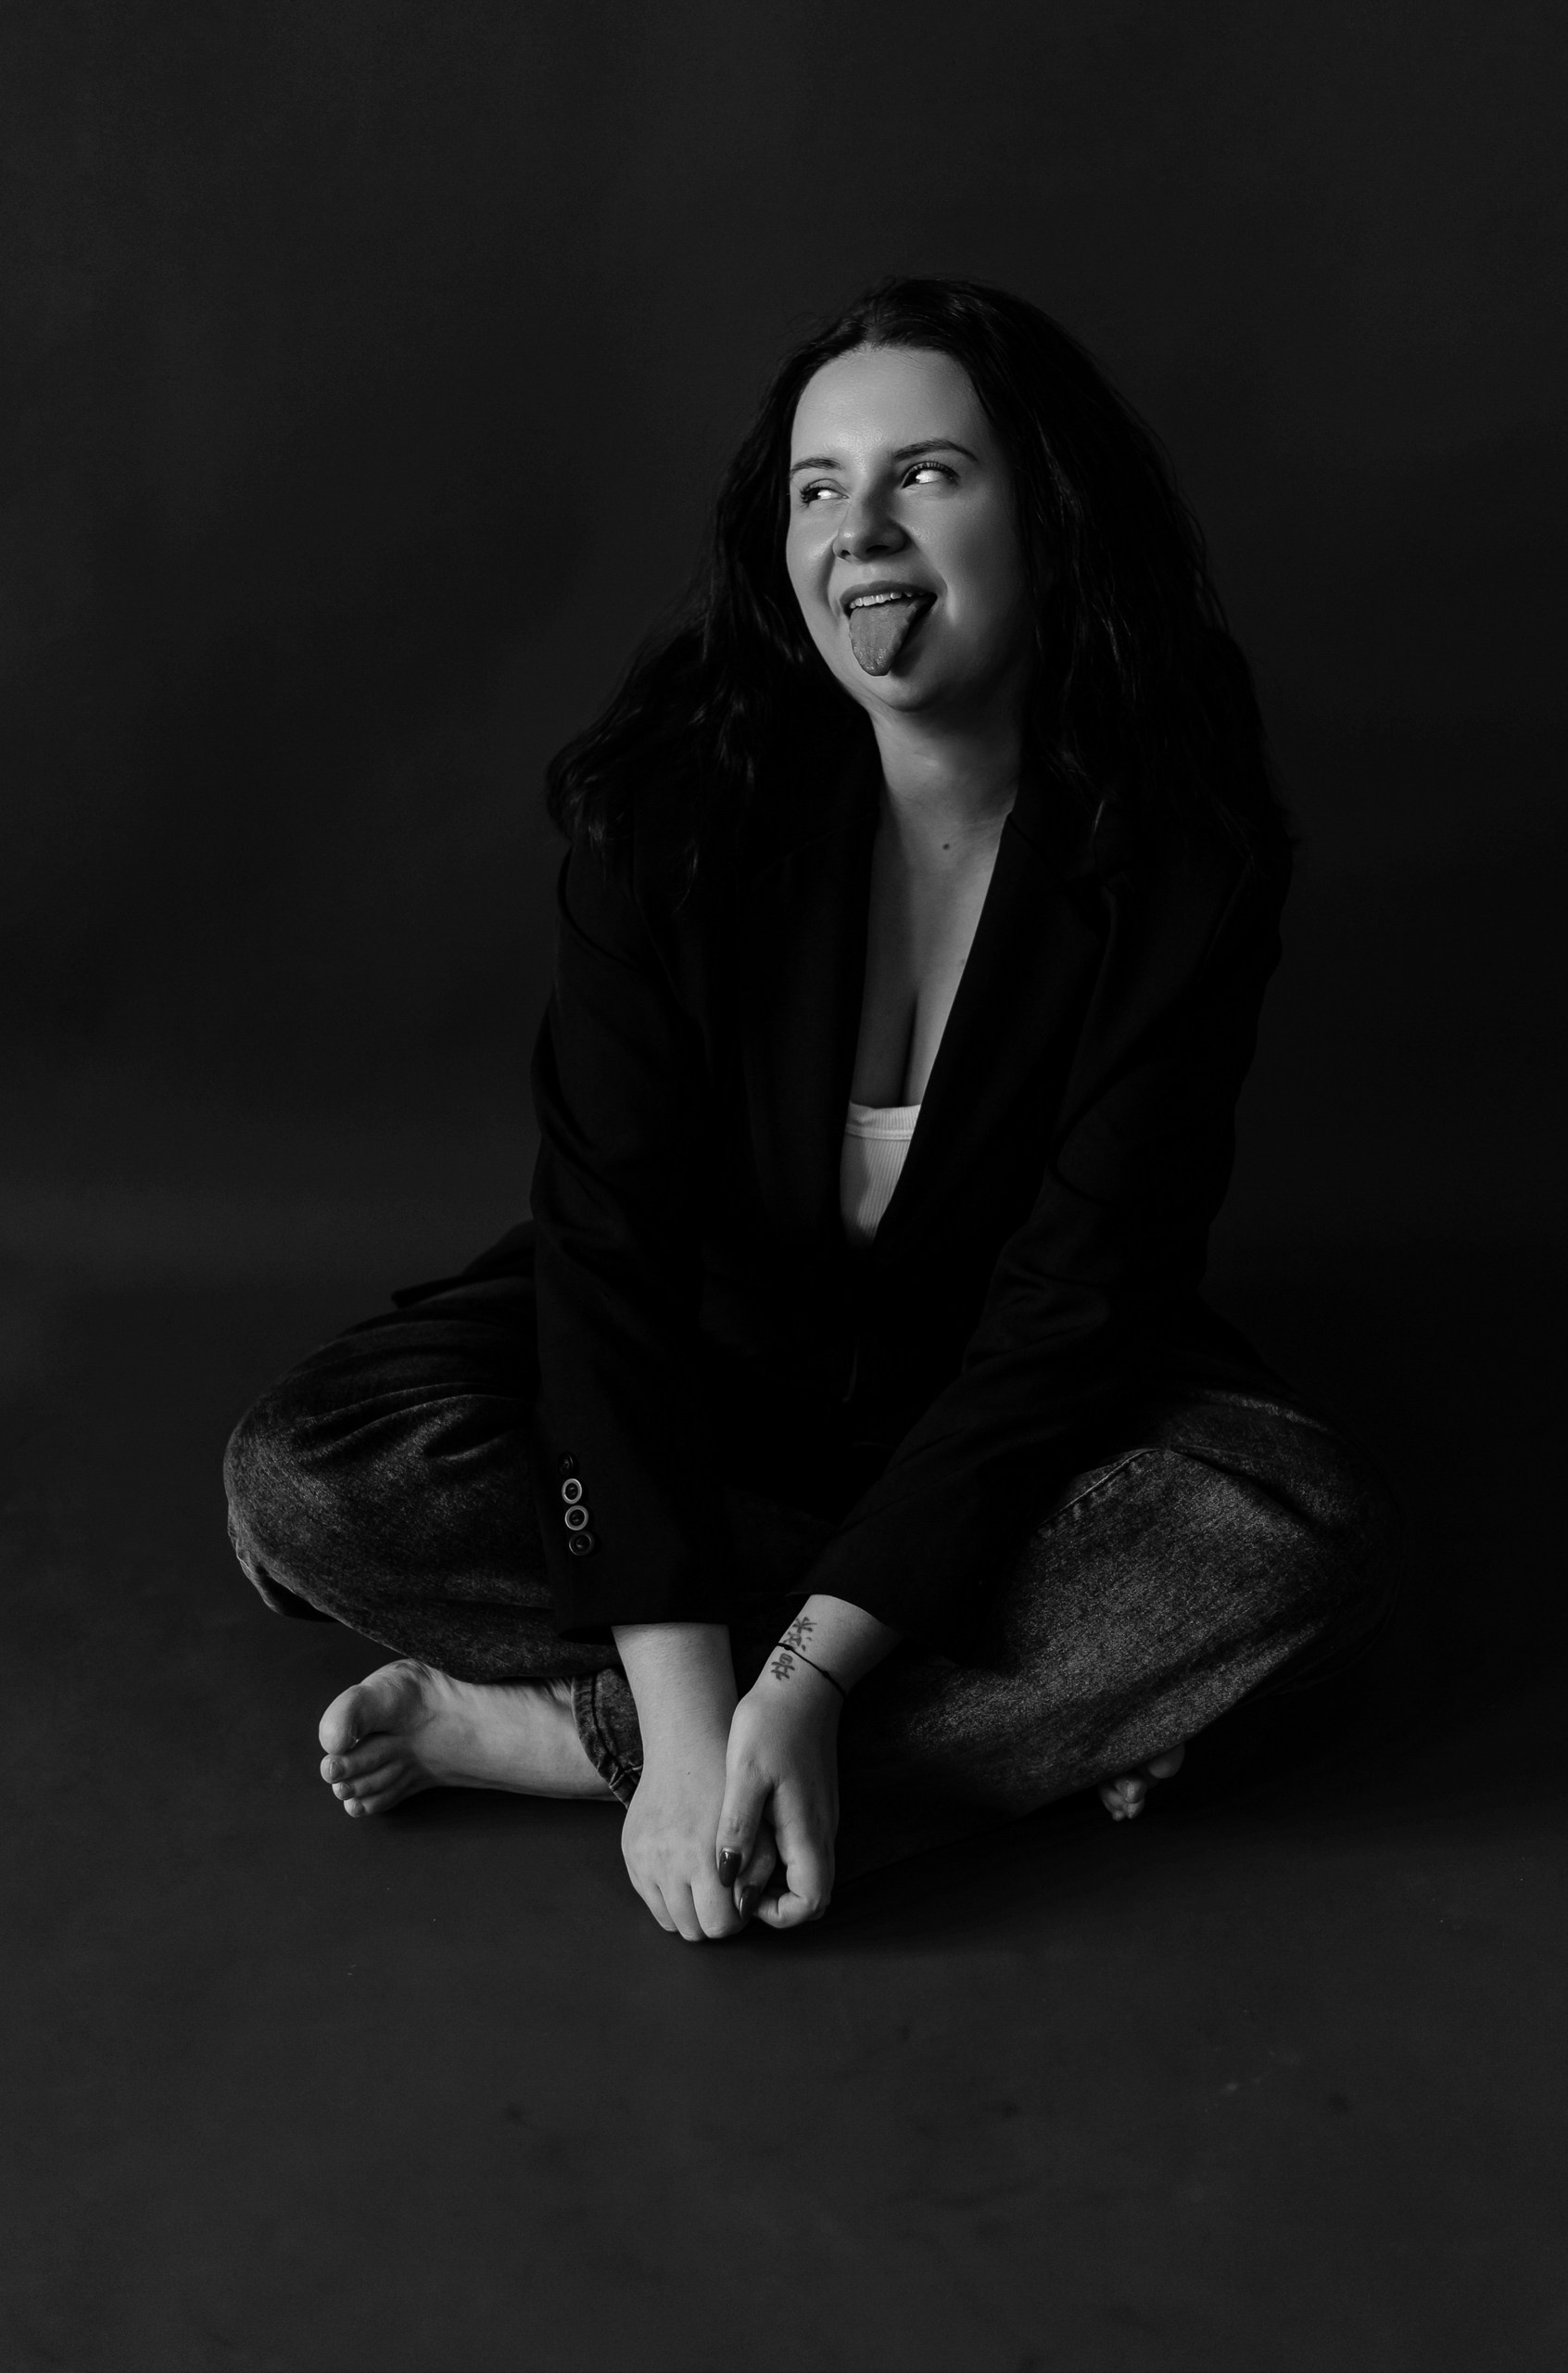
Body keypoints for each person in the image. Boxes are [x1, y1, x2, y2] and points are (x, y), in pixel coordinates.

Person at [223, 277, 1399, 1944]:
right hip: (698, 1372)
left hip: (995, 1399)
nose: (862, 530)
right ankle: (1000, 1722)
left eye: (926, 474)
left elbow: (1079, 1310)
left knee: (1289, 1539)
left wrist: (802, 1677)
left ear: (1050, 516)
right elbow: (610, 1261)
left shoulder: (1182, 858)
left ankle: (580, 1740)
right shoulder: (669, 814)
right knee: (304, 1482)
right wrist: (699, 1691)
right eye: (818, 488)